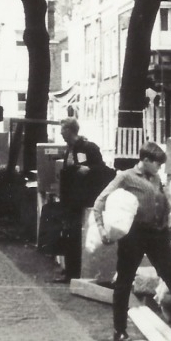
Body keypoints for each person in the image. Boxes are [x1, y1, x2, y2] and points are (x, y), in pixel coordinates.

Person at [93, 141, 171, 341]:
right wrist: (101, 229)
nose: (159, 168)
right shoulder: (125, 177)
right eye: (157, 164)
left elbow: (162, 204)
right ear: (145, 160)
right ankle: (119, 331)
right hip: (134, 235)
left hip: (158, 236)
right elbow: (99, 202)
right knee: (124, 281)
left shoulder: (156, 179)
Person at [55, 117, 111, 283]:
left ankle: (78, 271)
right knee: (69, 235)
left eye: (63, 130)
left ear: (70, 131)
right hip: (70, 200)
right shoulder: (69, 149)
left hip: (83, 199)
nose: (61, 133)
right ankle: (70, 271)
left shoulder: (88, 148)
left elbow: (102, 169)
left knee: (79, 235)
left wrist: (89, 169)